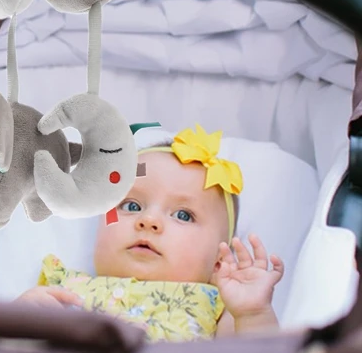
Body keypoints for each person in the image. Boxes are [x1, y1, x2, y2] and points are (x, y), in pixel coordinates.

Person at [15, 124, 284, 341]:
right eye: (131, 205)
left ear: (218, 262)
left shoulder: (220, 308)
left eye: (183, 215)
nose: (149, 220)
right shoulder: (63, 292)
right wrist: (21, 322)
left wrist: (252, 314)